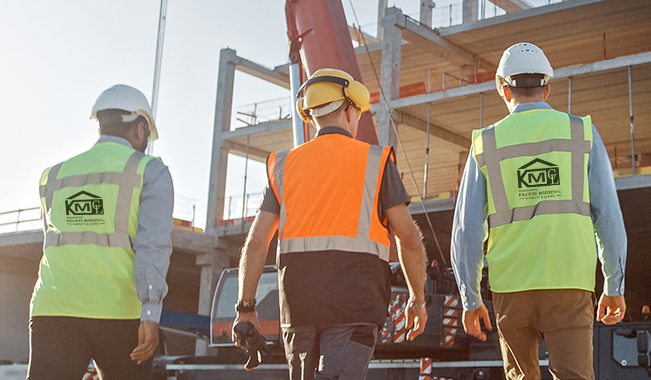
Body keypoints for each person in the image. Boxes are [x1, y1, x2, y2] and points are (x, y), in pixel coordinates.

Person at [232, 68, 428, 380]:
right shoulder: (375, 161)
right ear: (351, 110)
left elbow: (257, 242)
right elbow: (408, 238)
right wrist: (417, 300)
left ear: (311, 118)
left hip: (298, 311)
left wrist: (246, 308)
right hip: (356, 306)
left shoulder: (282, 166)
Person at [451, 42, 628, 380]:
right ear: (547, 87)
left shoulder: (485, 143)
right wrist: (614, 285)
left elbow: (467, 231)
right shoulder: (582, 133)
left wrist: (470, 297)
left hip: (510, 286)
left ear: (503, 89)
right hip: (569, 281)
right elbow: (608, 216)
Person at [29, 84, 174, 380]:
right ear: (140, 127)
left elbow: (52, 242)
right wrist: (150, 312)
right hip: (118, 314)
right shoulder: (149, 171)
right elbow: (152, 245)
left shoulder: (53, 175)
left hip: (53, 308)